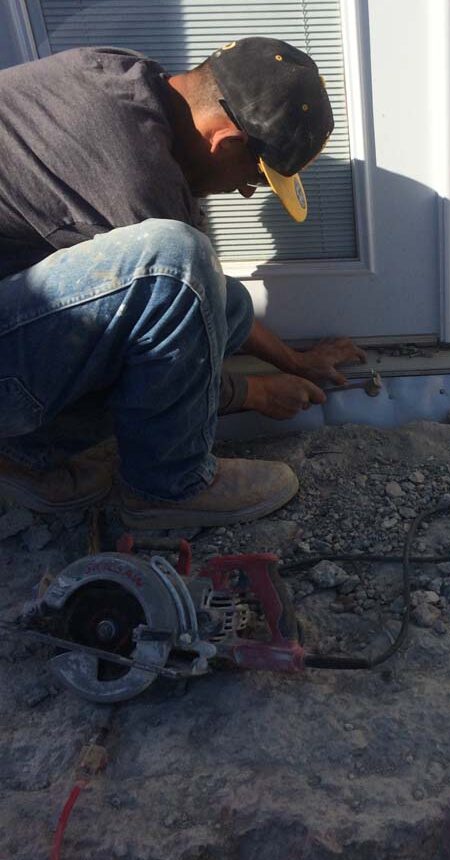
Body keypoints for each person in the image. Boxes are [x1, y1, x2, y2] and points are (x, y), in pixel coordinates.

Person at [0, 37, 366, 529]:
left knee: (212, 290)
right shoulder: (131, 169)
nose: (242, 190)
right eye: (254, 178)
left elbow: (206, 298)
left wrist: (295, 361)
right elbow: (174, 294)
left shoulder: (128, 76)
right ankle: (167, 487)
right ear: (228, 142)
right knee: (175, 263)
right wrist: (252, 393)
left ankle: (24, 457)